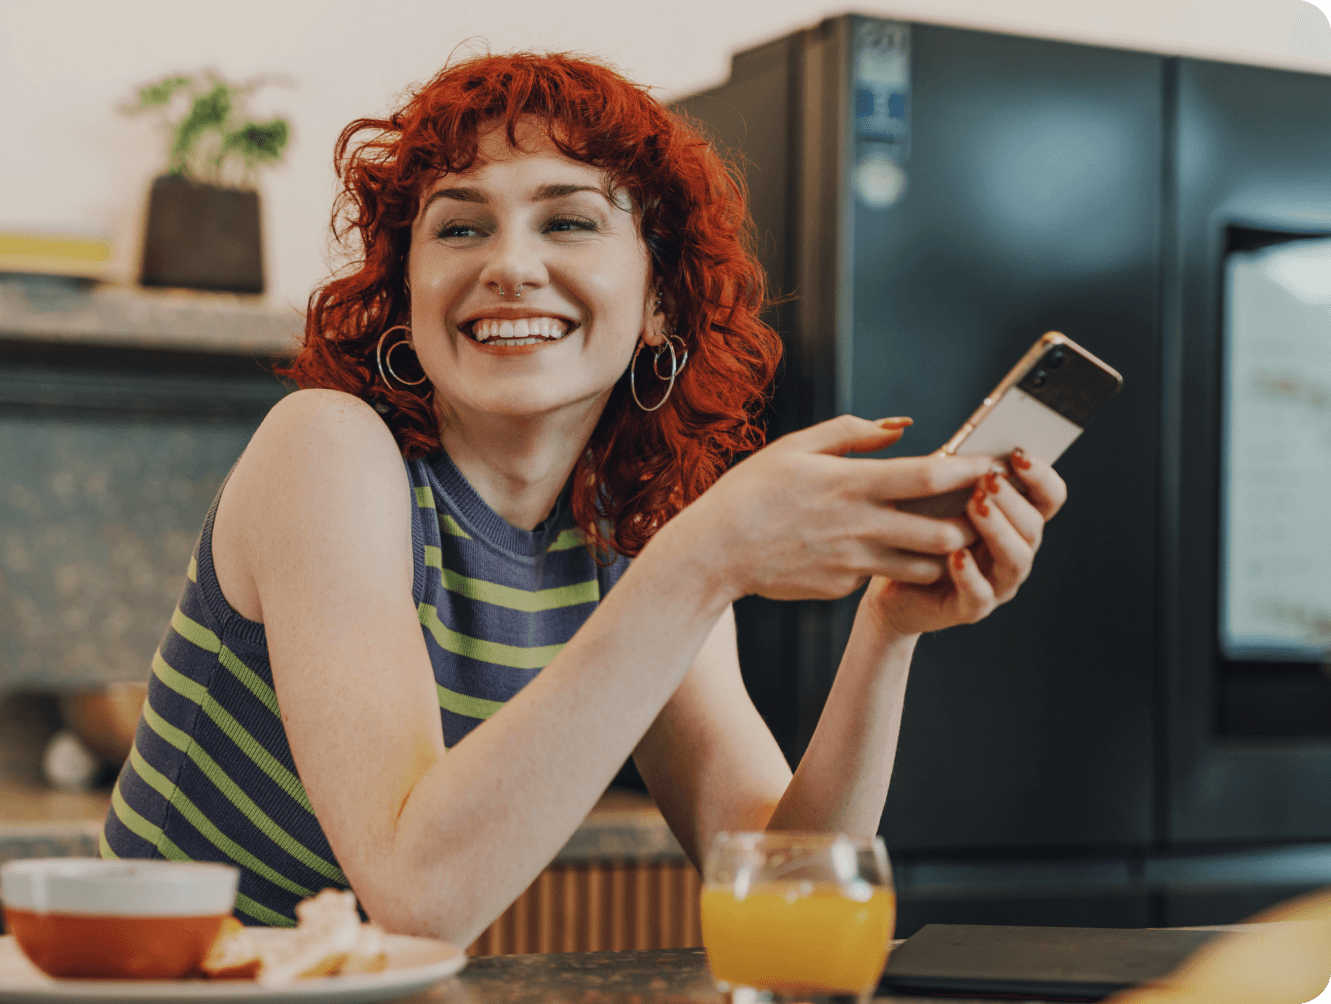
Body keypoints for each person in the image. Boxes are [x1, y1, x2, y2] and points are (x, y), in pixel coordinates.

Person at [100, 51, 1067, 947]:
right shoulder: (327, 450)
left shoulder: (631, 542)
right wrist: (707, 557)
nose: (509, 263)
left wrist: (887, 632)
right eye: (460, 225)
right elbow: (418, 896)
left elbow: (790, 900)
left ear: (659, 303)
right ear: (404, 296)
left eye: (568, 220)